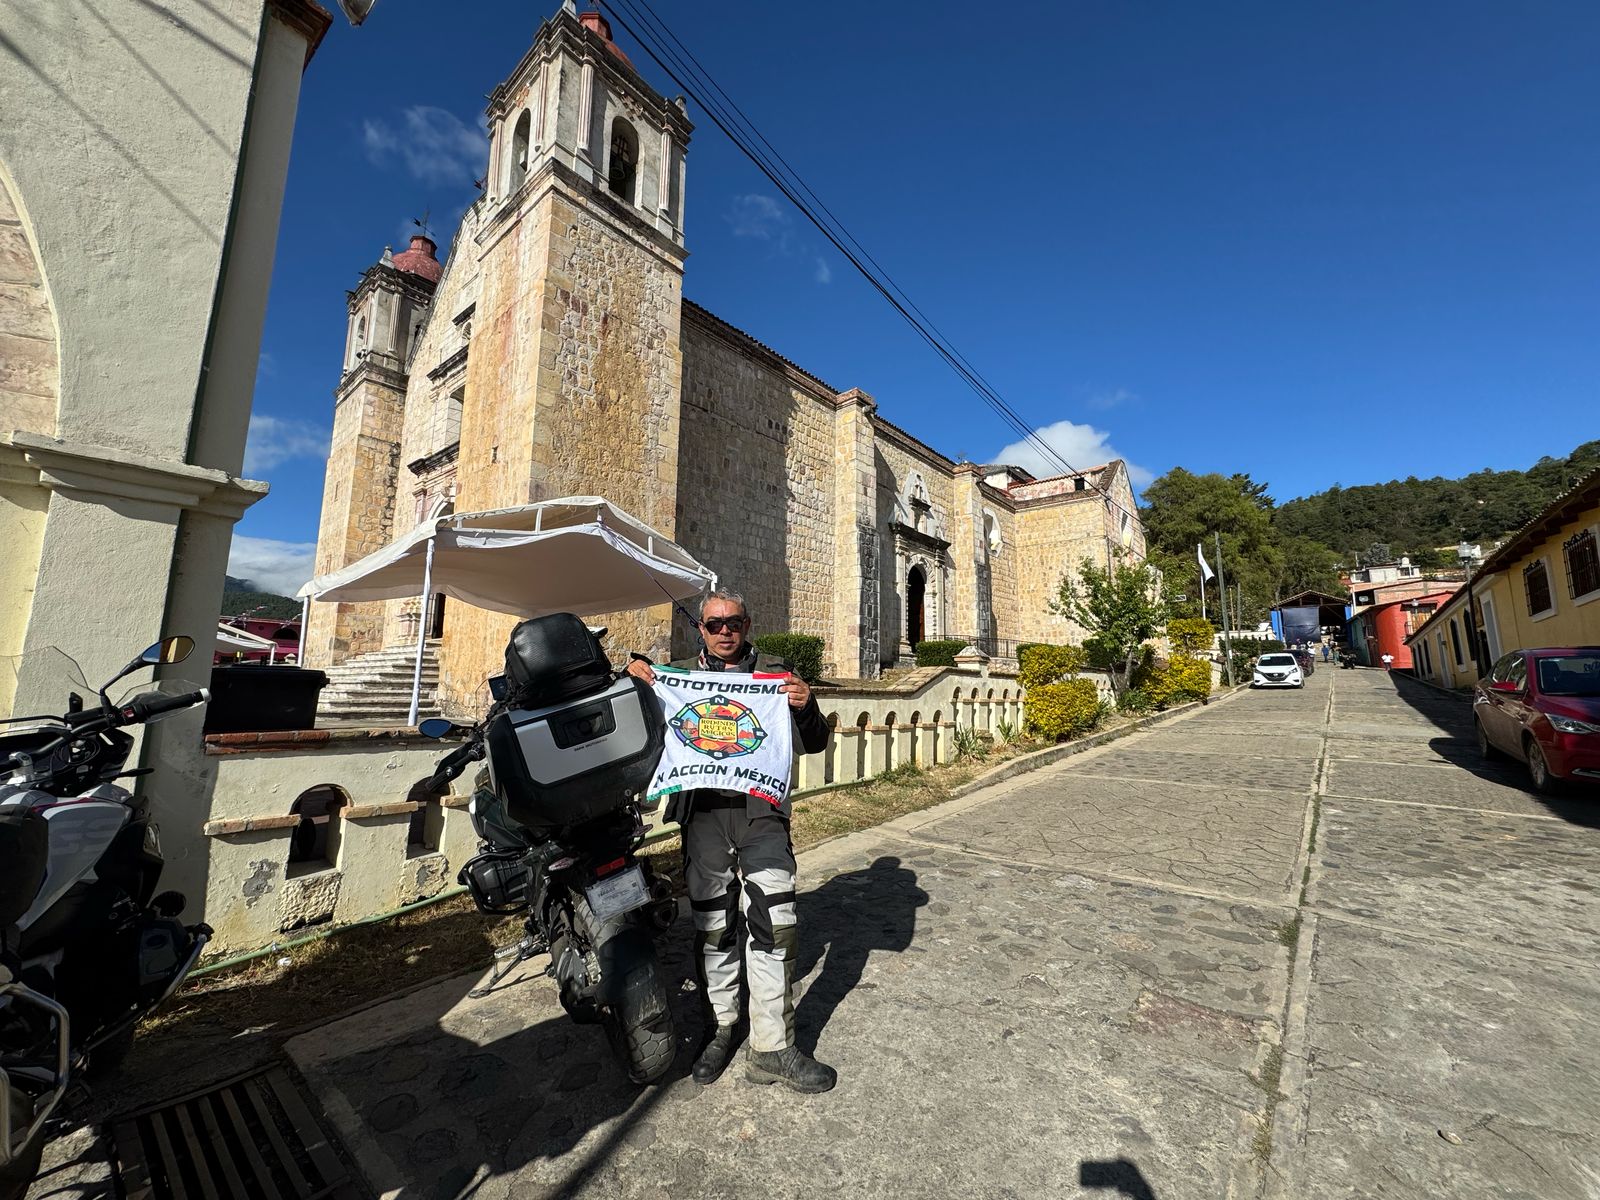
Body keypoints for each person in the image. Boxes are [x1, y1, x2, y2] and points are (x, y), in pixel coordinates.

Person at [626, 590, 835, 1092]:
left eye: (734, 623)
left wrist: (806, 708)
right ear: (700, 628)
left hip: (761, 817)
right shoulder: (674, 675)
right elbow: (641, 733)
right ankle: (720, 1027)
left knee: (776, 924)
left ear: (748, 624)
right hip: (702, 819)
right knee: (713, 926)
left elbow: (815, 742)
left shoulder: (777, 674)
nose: (725, 632)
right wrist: (633, 685)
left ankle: (772, 1046)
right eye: (715, 624)